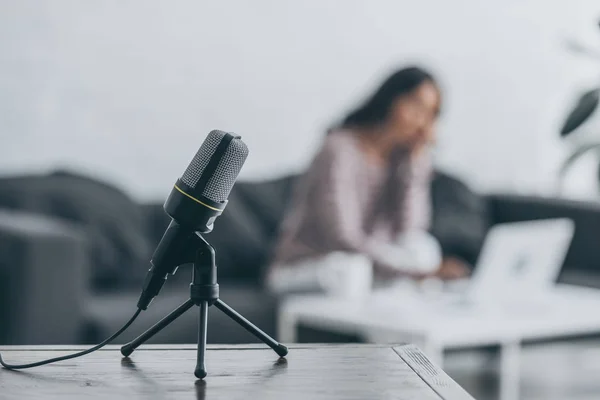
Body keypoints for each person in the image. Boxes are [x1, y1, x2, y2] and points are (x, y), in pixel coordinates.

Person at [267, 66, 469, 297]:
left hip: (370, 263)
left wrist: (414, 165)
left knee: (423, 248)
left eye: (430, 114)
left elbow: (411, 231)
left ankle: (407, 328)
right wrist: (415, 273)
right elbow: (342, 238)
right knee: (352, 271)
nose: (421, 122)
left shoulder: (403, 160)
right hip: (312, 264)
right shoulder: (339, 149)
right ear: (391, 99)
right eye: (415, 106)